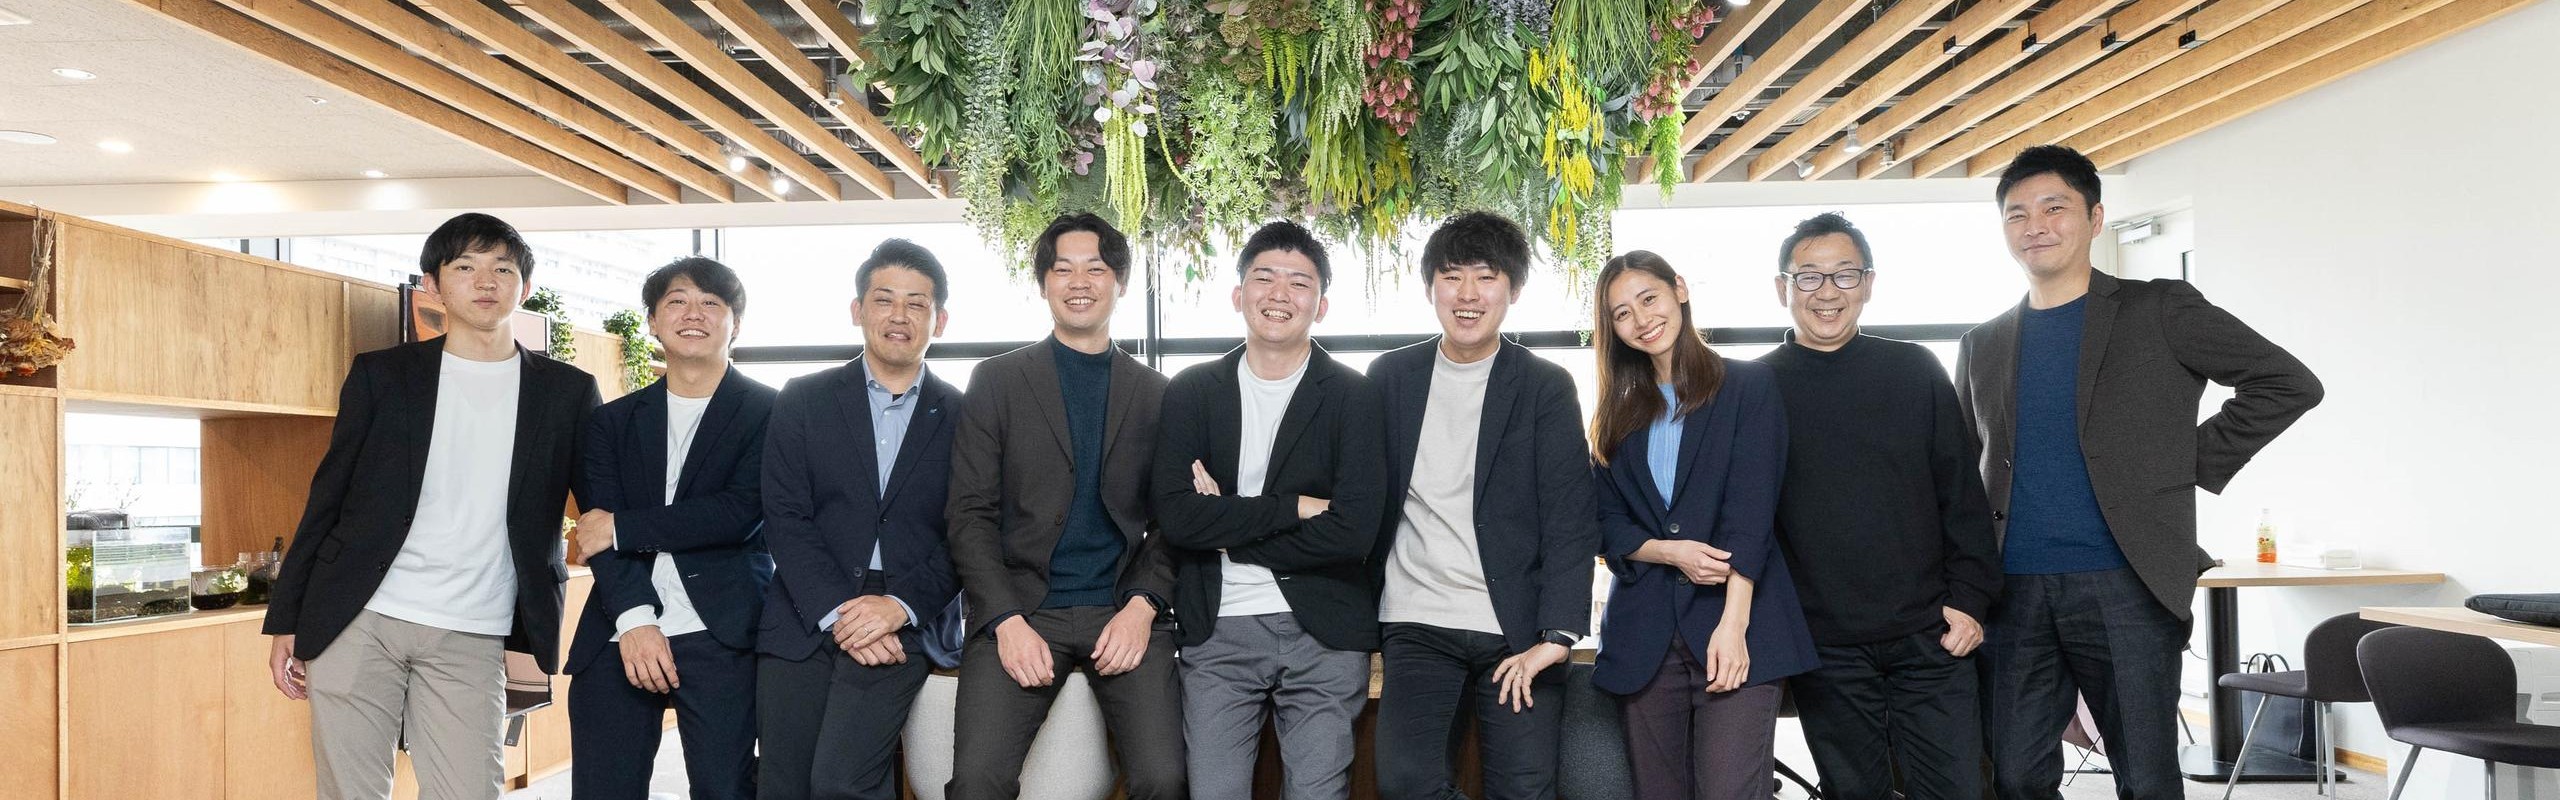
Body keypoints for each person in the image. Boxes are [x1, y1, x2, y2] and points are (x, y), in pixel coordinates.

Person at [1958, 145, 2324, 800]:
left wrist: (2187, 462)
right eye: (2017, 213)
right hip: (2011, 593)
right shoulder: (1982, 343)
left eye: (2054, 208)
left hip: (2126, 585)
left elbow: (2285, 383)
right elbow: (1965, 468)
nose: (2035, 225)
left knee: (2147, 777)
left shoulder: (2159, 308)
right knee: (2013, 777)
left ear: (2094, 219)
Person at [261, 212, 601, 799]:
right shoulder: (383, 376)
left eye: (503, 269)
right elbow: (328, 497)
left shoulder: (566, 391)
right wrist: (286, 618)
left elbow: (597, 509)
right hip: (359, 617)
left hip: (474, 628)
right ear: (433, 285)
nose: (486, 281)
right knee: (350, 792)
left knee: (469, 790)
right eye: (465, 267)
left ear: (526, 287)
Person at [1755, 213, 2001, 800]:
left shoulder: (1914, 369)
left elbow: (1962, 494)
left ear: (1868, 283)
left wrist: (1970, 602)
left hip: (1931, 632)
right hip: (1824, 643)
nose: (1827, 292)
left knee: (1959, 788)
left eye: (1844, 274)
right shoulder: (1754, 388)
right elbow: (1747, 518)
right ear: (1783, 288)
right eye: (1809, 276)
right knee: (1853, 791)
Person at [945, 212, 1185, 800]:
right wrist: (1004, 619)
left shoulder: (1158, 394)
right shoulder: (997, 381)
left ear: (1119, 283)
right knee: (976, 781)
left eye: (1096, 269)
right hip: (1022, 607)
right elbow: (969, 514)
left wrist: (1143, 607)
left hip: (1121, 607)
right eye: (1063, 269)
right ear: (1043, 284)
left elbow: (1174, 521)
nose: (1080, 282)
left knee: (1164, 779)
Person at [1368, 211, 1599, 800]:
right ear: (1430, 288)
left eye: (1486, 277)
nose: (1467, 294)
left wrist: (1558, 634)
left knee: (1525, 789)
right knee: (1405, 783)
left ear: (1513, 290)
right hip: (1417, 618)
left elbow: (1571, 517)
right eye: (1451, 277)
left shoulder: (1545, 385)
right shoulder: (1390, 376)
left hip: (1518, 628)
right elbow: (1356, 484)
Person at [1155, 220, 1389, 799]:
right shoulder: (1191, 391)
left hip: (1325, 631)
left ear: (1321, 305)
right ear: (1238, 295)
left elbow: (1353, 533)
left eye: (1299, 283)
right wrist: (1295, 507)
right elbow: (1179, 519)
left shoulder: (1354, 396)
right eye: (1264, 278)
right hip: (1218, 630)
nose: (1279, 294)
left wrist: (1227, 525)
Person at [1588, 250, 1818, 800]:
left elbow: (1751, 513)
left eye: (1649, 298)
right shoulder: (1616, 413)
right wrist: (1670, 553)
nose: (1641, 319)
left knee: (1728, 790)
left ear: (1680, 290)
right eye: (1622, 313)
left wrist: (1733, 626)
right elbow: (1603, 523)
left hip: (1736, 624)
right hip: (1645, 638)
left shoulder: (1748, 387)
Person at [755, 240, 967, 800]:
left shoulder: (965, 415)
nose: (899, 316)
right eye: (884, 299)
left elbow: (968, 531)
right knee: (782, 785)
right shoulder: (803, 399)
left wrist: (897, 607)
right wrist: (839, 614)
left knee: (843, 782)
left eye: (917, 304)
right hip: (804, 613)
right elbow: (784, 516)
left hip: (906, 618)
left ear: (940, 321)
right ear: (858, 310)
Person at [564, 256, 774, 800]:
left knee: (726, 790)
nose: (693, 314)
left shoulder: (772, 412)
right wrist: (636, 621)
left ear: (735, 323)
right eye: (677, 301)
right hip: (619, 629)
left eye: (711, 303)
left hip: (724, 631)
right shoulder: (611, 421)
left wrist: (623, 527)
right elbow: (595, 534)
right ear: (653, 321)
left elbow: (740, 513)